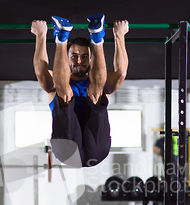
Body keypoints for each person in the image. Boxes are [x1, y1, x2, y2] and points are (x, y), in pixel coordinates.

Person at [31, 14, 129, 167]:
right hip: (68, 151)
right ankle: (62, 38)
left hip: (96, 148)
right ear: (67, 57)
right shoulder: (54, 82)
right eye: (74, 56)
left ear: (91, 59)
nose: (79, 60)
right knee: (64, 95)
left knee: (96, 95)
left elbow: (121, 73)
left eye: (84, 56)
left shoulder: (100, 83)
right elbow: (40, 71)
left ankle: (97, 38)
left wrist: (119, 35)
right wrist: (41, 35)